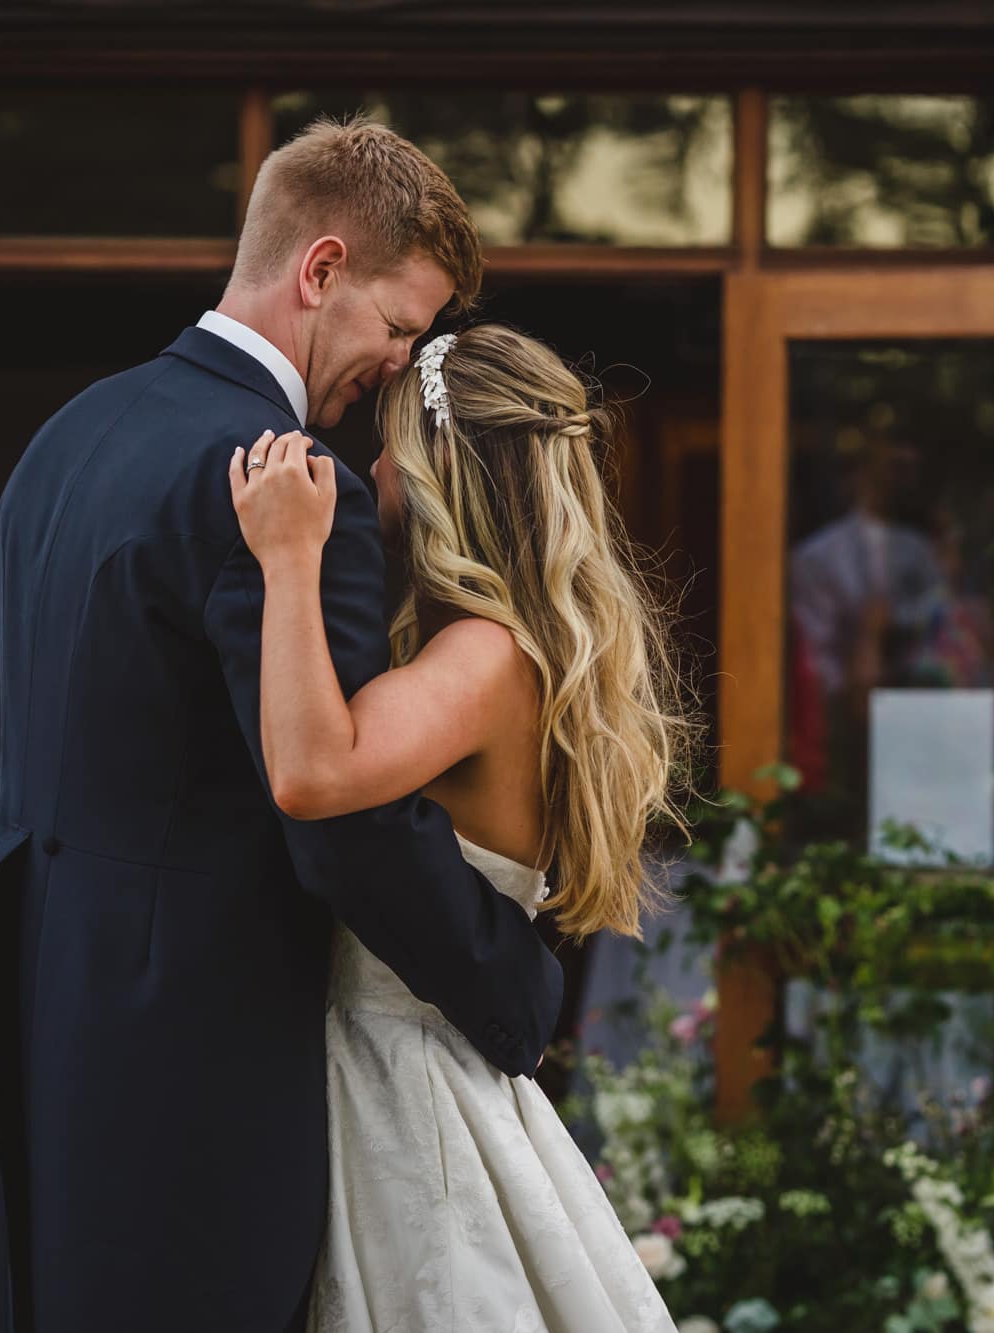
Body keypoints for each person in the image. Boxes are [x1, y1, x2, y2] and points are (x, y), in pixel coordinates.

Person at [0, 118, 564, 1333]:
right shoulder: (291, 480)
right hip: (198, 1045)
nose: (399, 366)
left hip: (37, 1010)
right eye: (400, 326)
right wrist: (511, 985)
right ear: (321, 269)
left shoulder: (68, 437)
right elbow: (346, 826)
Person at [228, 321, 693, 1332]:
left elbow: (313, 771)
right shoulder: (494, 645)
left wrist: (287, 559)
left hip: (407, 1089)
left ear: (444, 470)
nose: (375, 465)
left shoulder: (484, 655)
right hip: (410, 1061)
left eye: (394, 442)